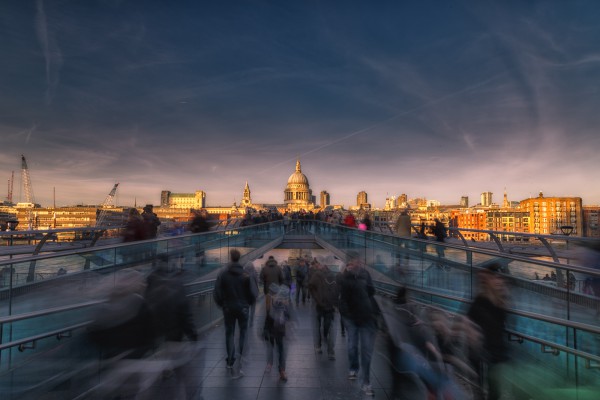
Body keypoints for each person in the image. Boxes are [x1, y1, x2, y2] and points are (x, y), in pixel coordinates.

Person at [338, 251, 379, 396]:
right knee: (352, 345)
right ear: (350, 263)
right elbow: (342, 299)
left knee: (366, 352)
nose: (359, 263)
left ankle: (366, 382)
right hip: (352, 318)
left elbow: (371, 291)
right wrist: (346, 314)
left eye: (360, 261)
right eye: (356, 261)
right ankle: (353, 367)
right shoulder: (344, 278)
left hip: (366, 317)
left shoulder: (365, 274)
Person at [467, 264, 510, 400]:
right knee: (481, 388)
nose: (499, 281)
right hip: (481, 352)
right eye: (495, 278)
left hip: (495, 353)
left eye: (500, 278)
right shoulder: (480, 302)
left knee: (494, 389)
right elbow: (469, 321)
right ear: (489, 280)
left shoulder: (501, 301)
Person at [213, 249, 258, 377]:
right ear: (239, 258)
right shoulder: (245, 274)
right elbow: (252, 293)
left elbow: (217, 291)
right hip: (243, 308)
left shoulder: (223, 274)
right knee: (243, 332)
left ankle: (230, 360)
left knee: (229, 333)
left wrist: (223, 304)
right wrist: (248, 304)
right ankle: (241, 356)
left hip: (228, 308)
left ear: (230, 258)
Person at [308, 260, 339, 360]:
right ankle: (327, 349)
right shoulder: (319, 275)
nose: (318, 265)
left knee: (321, 325)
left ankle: (320, 345)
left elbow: (311, 287)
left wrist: (317, 298)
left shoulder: (328, 275)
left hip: (324, 305)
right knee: (326, 326)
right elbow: (311, 287)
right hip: (324, 305)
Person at [263, 283, 292, 382]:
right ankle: (282, 371)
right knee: (281, 349)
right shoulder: (284, 302)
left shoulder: (268, 300)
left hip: (271, 329)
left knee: (272, 347)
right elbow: (288, 316)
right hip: (279, 329)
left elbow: (266, 316)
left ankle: (271, 364)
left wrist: (264, 329)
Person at [244, 261, 259, 327]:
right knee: (253, 308)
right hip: (253, 292)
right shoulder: (254, 272)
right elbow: (257, 281)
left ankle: (246, 321)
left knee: (246, 308)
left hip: (246, 293)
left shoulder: (243, 272)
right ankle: (251, 322)